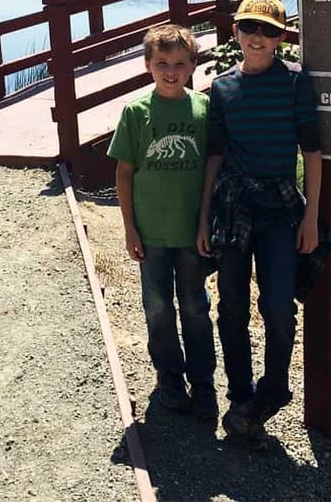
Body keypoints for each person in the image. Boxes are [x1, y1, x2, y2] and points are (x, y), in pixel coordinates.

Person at [196, 0, 321, 446]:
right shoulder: (222, 88)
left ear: (281, 38)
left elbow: (312, 151)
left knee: (279, 307)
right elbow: (214, 156)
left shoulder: (295, 82)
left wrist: (310, 217)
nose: (257, 37)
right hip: (233, 207)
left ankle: (272, 392)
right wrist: (204, 217)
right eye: (249, 28)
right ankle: (240, 396)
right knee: (231, 306)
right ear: (235, 32)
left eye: (268, 31)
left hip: (280, 208)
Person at [107, 23, 218, 419]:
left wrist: (205, 222)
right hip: (151, 232)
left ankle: (203, 380)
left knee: (195, 306)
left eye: (180, 64)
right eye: (162, 64)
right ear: (148, 65)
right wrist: (129, 228)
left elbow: (212, 168)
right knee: (157, 306)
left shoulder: (203, 109)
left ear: (193, 66)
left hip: (190, 232)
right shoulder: (136, 113)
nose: (171, 72)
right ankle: (169, 375)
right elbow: (124, 173)